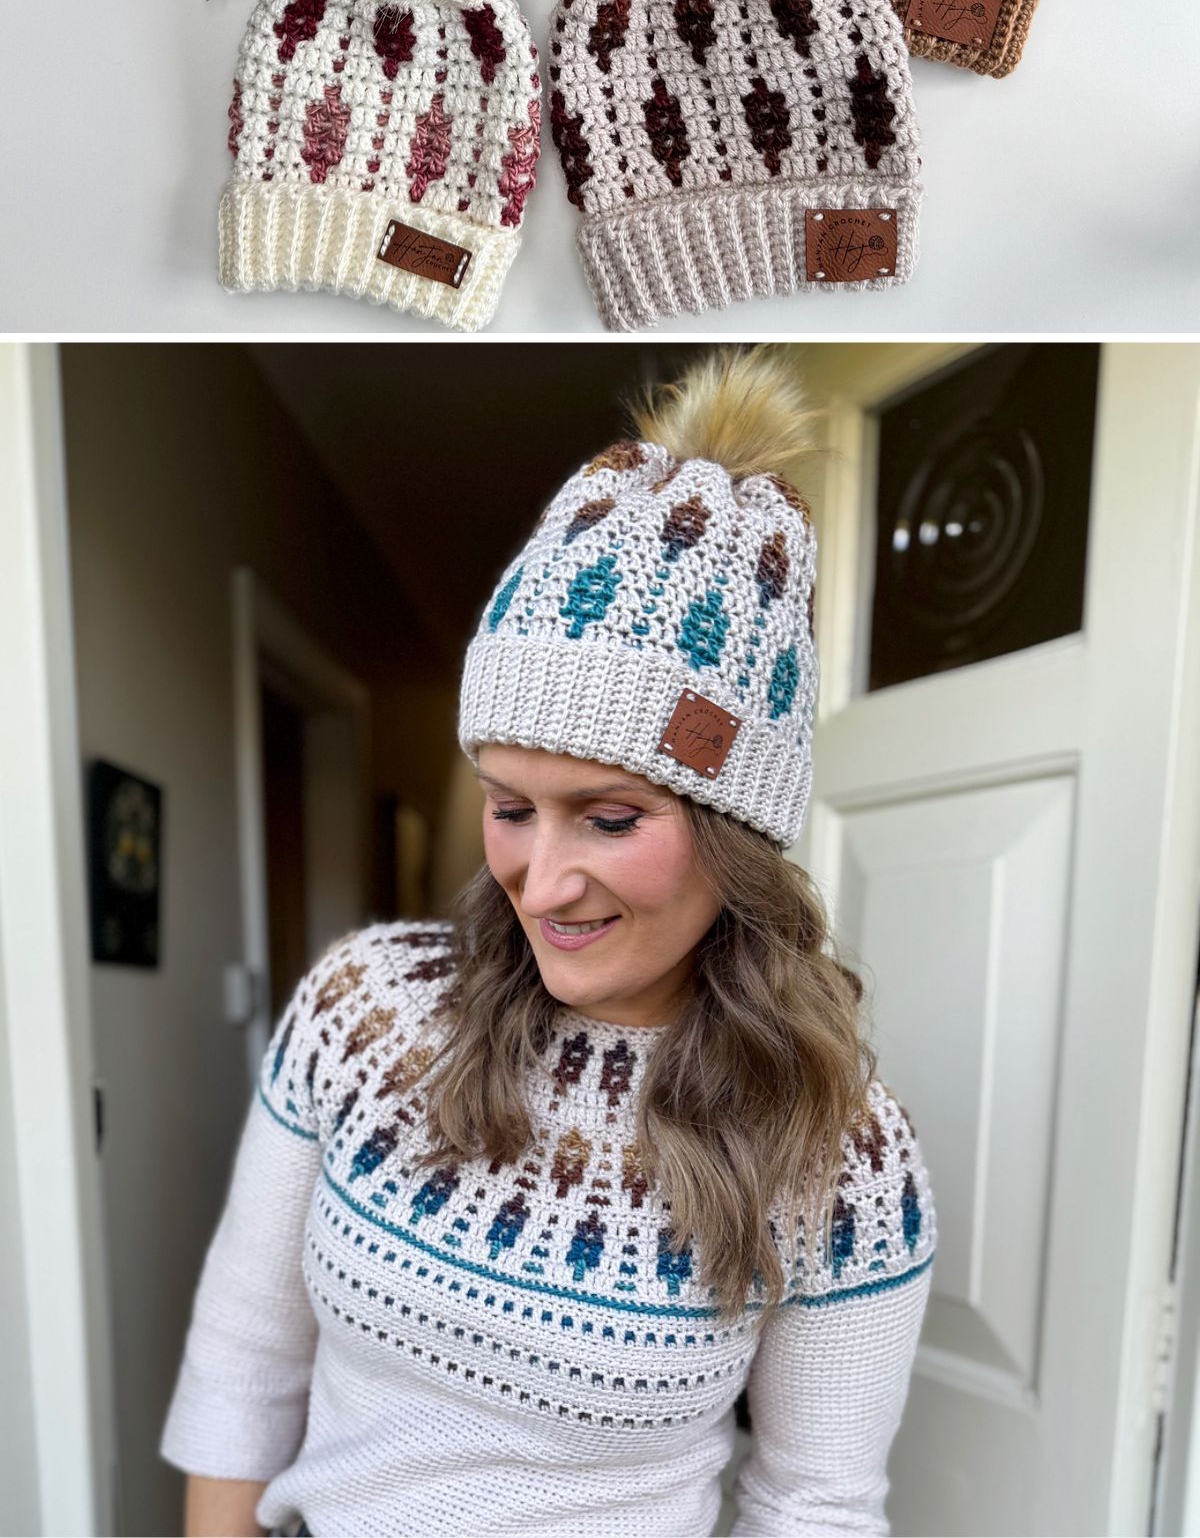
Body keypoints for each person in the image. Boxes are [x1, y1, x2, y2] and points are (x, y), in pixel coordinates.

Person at [162, 348, 937, 1535]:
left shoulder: (835, 1146)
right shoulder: (367, 1011)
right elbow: (243, 1361)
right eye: (511, 806)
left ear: (738, 834)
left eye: (612, 818)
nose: (541, 879)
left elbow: (814, 1504)